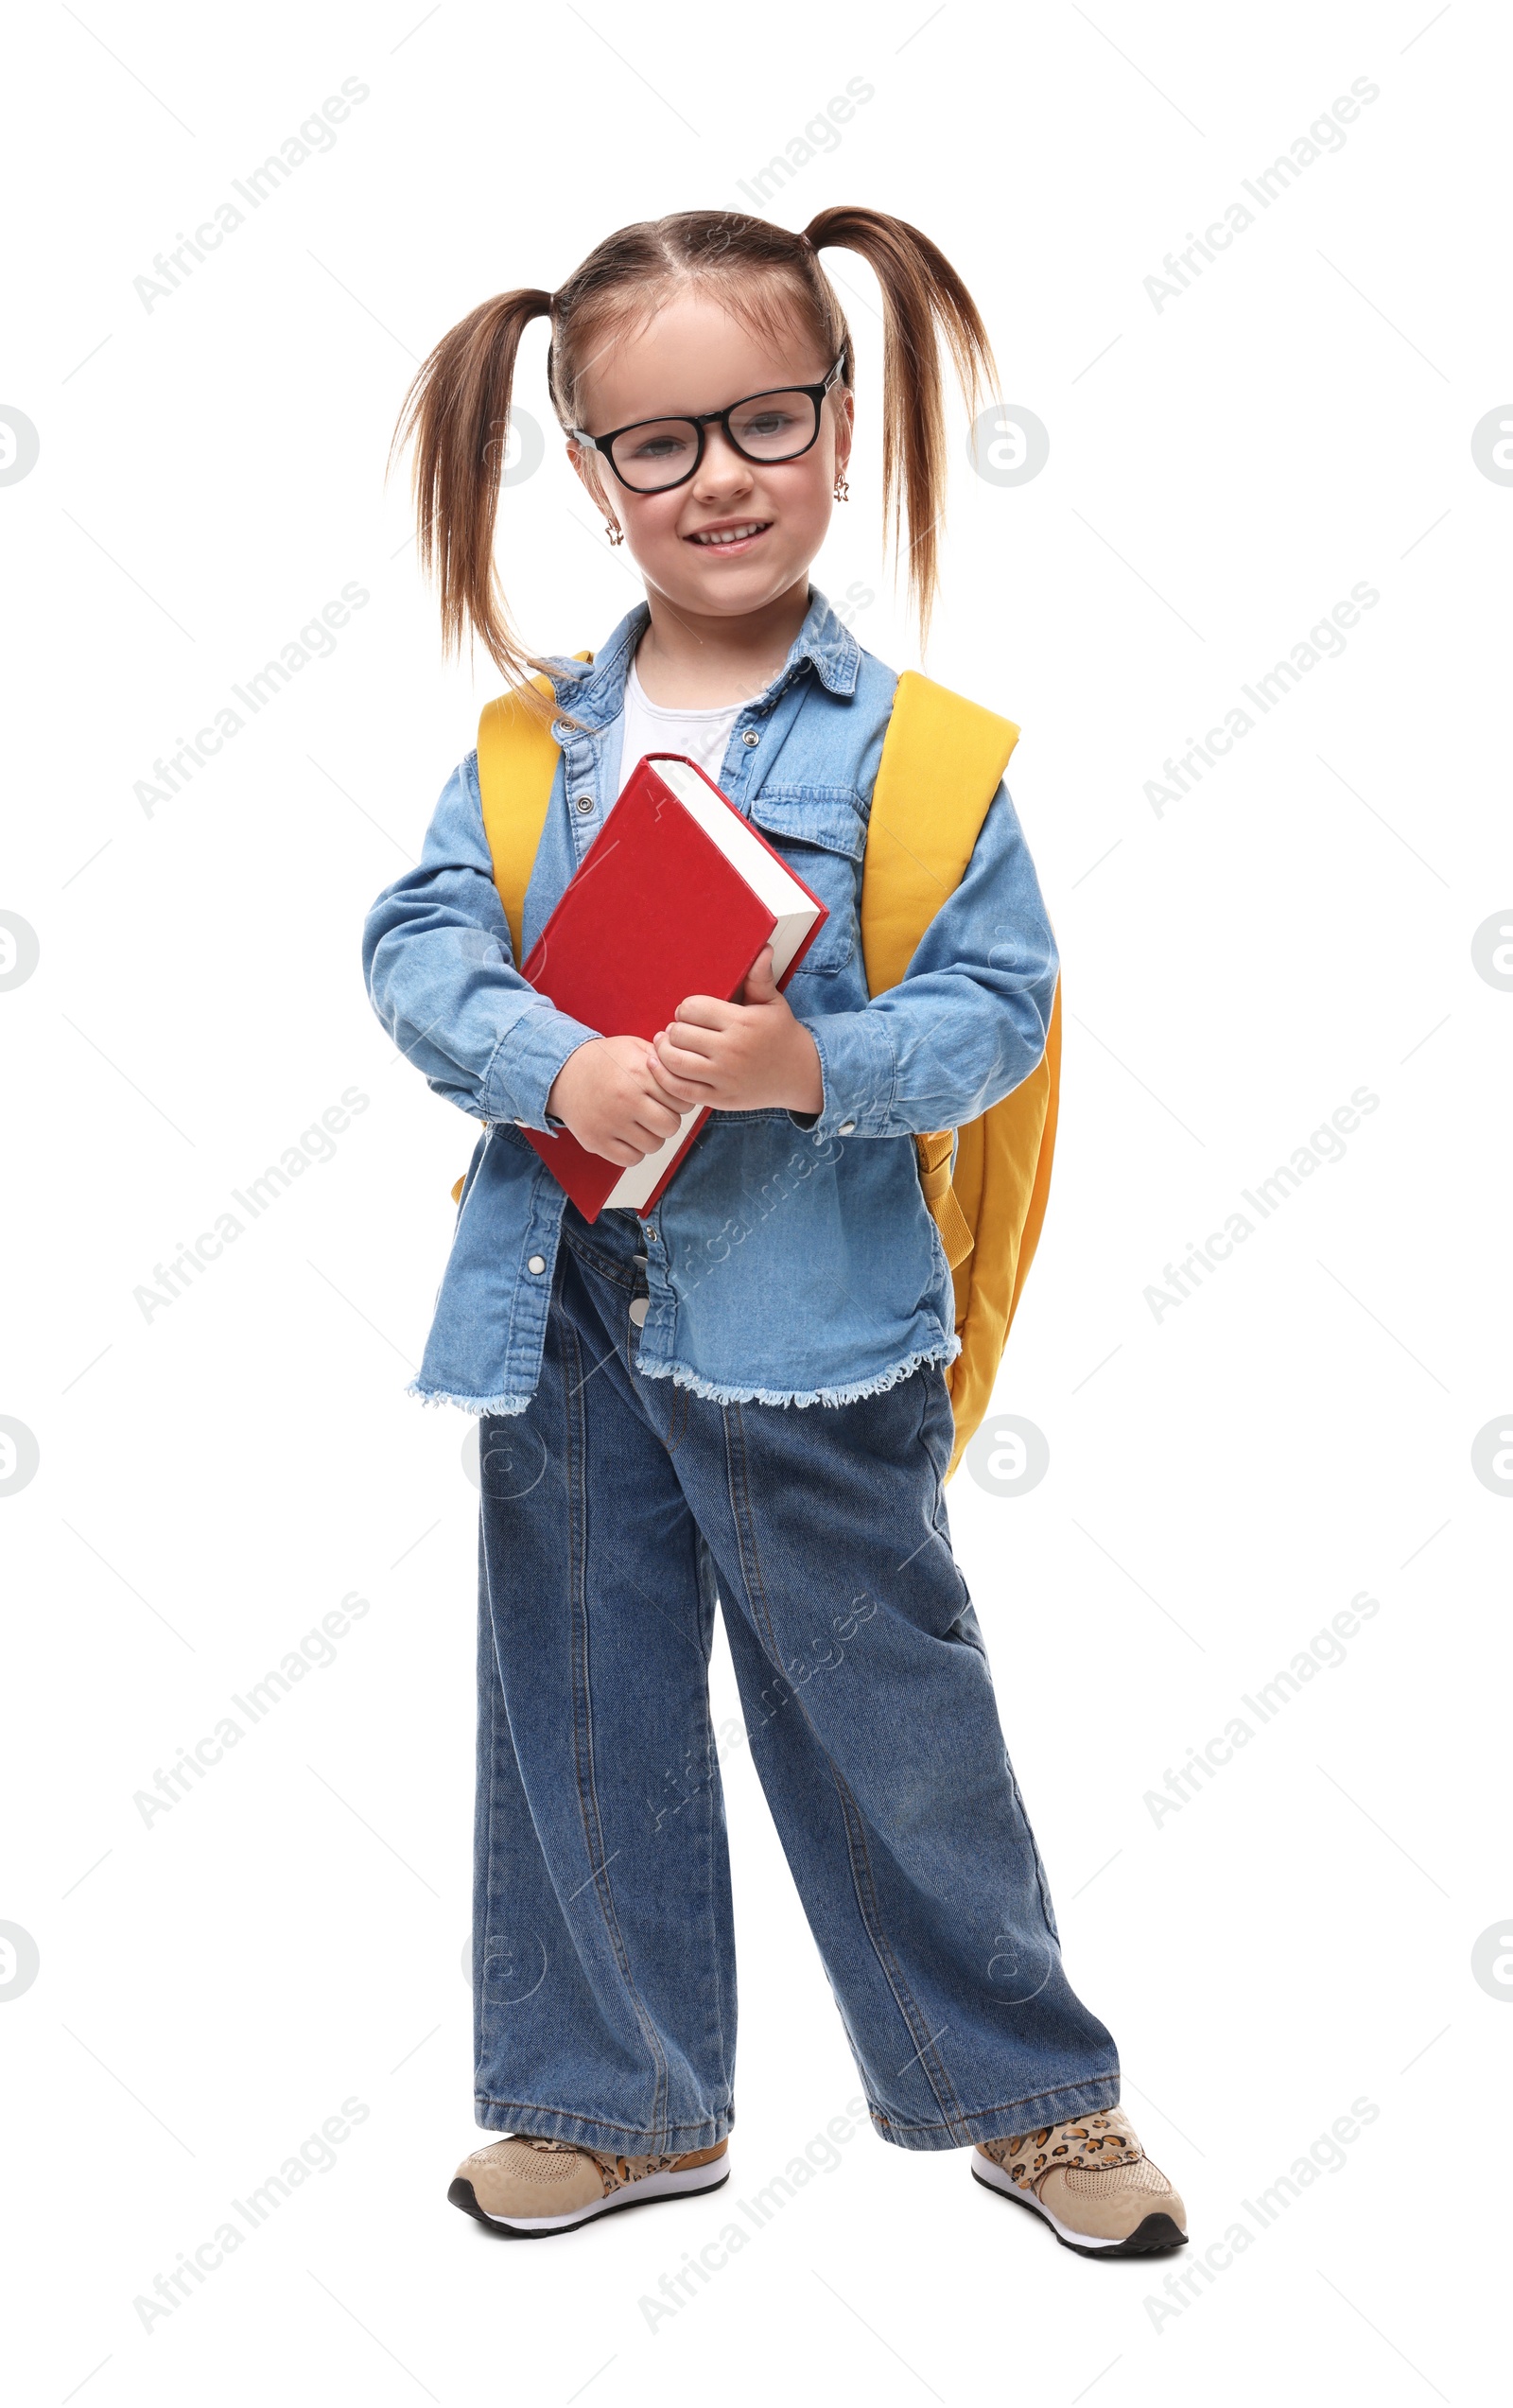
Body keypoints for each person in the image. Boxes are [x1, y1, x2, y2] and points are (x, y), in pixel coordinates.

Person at [362, 207, 1187, 2259]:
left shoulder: (921, 758)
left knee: (882, 1711)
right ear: (589, 478)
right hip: (560, 1297)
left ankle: (1024, 2094)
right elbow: (419, 941)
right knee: (575, 1692)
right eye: (656, 443)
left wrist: (798, 1065)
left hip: (809, 1324)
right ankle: (615, 2100)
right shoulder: (529, 745)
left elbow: (991, 1010)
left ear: (842, 432)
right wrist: (556, 1064)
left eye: (762, 420)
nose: (715, 474)